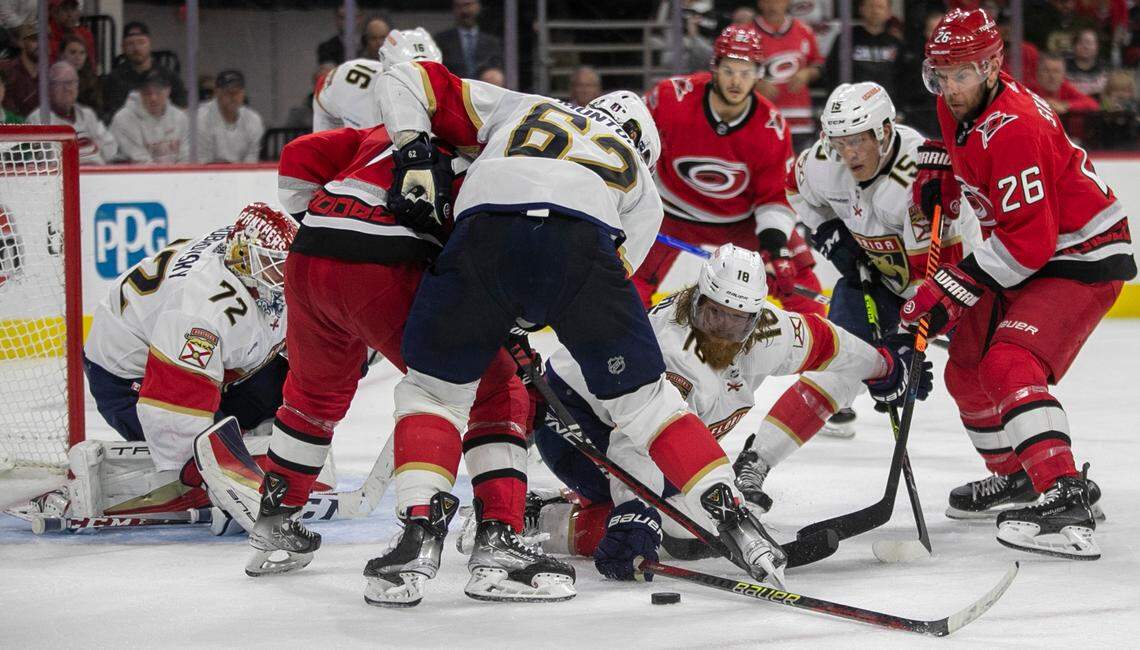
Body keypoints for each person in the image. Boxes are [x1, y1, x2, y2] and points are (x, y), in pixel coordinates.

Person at [374, 60, 787, 602]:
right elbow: (603, 278)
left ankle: (418, 529)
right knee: (648, 404)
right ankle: (731, 513)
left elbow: (403, 75)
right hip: (582, 245)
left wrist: (413, 150)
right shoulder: (643, 188)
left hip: (485, 230)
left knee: (433, 393)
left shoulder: (526, 105)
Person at [219, 123, 550, 605]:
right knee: (493, 390)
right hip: (387, 266)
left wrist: (325, 225)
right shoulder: (503, 152)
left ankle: (276, 520)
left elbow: (299, 154)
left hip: (310, 255)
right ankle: (489, 538)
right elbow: (480, 255)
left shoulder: (388, 128)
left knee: (313, 396)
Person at [480, 245, 931, 577]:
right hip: (578, 418)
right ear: (697, 300)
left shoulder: (769, 332)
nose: (726, 330)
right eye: (715, 314)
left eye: (739, 320)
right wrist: (635, 510)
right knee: (669, 527)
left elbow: (825, 342)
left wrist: (886, 366)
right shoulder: (671, 351)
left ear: (757, 318)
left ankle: (562, 509)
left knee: (688, 516)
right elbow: (636, 439)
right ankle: (539, 519)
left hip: (640, 432)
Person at [910, 7, 1134, 560]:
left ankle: (1064, 493)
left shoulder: (1017, 128)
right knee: (966, 365)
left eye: (962, 73)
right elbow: (953, 140)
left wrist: (951, 286)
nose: (949, 86)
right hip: (1030, 249)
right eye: (941, 73)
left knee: (1008, 363)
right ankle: (1020, 475)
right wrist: (939, 171)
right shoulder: (950, 98)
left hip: (1081, 253)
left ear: (992, 66)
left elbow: (1029, 244)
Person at [14, 204, 313, 534]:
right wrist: (209, 475)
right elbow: (174, 410)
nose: (283, 276)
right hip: (127, 380)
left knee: (301, 374)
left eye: (285, 265)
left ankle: (242, 438)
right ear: (244, 255)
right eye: (273, 267)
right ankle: (155, 490)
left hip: (182, 352)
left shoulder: (245, 262)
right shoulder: (201, 309)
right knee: (192, 462)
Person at [788, 82, 978, 435]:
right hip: (878, 279)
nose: (848, 153)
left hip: (955, 288)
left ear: (885, 131)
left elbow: (932, 281)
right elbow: (793, 185)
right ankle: (759, 458)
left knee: (983, 369)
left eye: (858, 140)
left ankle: (1018, 460)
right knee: (837, 356)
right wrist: (827, 231)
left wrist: (902, 345)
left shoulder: (918, 179)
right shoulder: (823, 161)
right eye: (840, 142)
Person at [635, 26, 825, 319]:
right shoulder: (672, 98)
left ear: (759, 74)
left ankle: (823, 347)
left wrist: (776, 249)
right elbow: (631, 141)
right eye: (729, 70)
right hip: (668, 213)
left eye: (746, 72)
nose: (737, 81)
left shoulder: (771, 127)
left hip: (740, 220)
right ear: (714, 68)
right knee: (626, 280)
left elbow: (774, 197)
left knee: (795, 276)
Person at [312, 27, 441, 132]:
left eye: (428, 73)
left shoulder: (450, 98)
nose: (419, 83)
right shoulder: (348, 82)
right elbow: (323, 93)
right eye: (410, 74)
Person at [748, 0, 822, 142]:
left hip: (799, 118)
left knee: (800, 163)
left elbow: (819, 65)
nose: (773, 5)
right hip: (760, 118)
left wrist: (807, 73)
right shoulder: (746, 33)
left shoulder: (804, 30)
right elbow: (730, 70)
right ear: (759, 3)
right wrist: (754, 83)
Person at [26, 61, 116, 165]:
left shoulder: (88, 114)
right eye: (60, 84)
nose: (67, 88)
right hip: (63, 177)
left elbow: (110, 148)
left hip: (96, 173)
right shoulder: (37, 119)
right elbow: (45, 161)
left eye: (71, 82)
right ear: (49, 88)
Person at [102, 21, 187, 121]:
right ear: (123, 48)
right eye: (130, 44)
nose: (136, 48)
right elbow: (110, 114)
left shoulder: (169, 76)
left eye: (141, 42)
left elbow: (182, 110)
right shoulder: (114, 79)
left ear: (150, 44)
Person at [822, 0, 903, 100]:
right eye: (871, 6)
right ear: (861, 9)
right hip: (852, 106)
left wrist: (899, 109)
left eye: (880, 7)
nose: (875, 11)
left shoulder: (895, 43)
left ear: (889, 12)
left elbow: (902, 79)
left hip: (887, 106)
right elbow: (832, 72)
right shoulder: (846, 39)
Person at [110, 70, 189, 164]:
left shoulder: (180, 118)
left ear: (168, 91)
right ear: (139, 92)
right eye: (147, 93)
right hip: (135, 176)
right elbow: (140, 161)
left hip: (176, 176)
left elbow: (186, 156)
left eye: (158, 92)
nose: (153, 98)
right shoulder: (123, 119)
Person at [196, 70, 265, 164]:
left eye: (237, 92)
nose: (233, 97)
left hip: (242, 176)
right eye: (228, 92)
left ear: (243, 93)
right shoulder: (201, 118)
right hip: (209, 175)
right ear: (217, 93)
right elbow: (203, 163)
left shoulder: (253, 120)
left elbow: (251, 163)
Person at [434, 0, 502, 79]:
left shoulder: (492, 42)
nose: (464, 11)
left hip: (483, 87)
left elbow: (497, 65)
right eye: (458, 6)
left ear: (478, 7)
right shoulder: (441, 40)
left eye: (468, 5)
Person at [1029, 51, 1099, 115]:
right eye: (1046, 70)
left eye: (1056, 71)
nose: (1052, 76)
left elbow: (1093, 104)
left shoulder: (1065, 87)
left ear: (1063, 75)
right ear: (1038, 73)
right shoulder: (1028, 89)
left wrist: (1065, 105)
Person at [0, 21, 39, 117]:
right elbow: (8, 112)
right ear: (21, 43)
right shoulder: (8, 70)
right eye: (34, 40)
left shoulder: (51, 71)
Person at [59, 34, 101, 115]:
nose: (78, 57)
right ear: (62, 55)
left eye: (82, 53)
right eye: (73, 52)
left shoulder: (92, 80)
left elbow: (98, 111)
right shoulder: (53, 80)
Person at [47, 0, 95, 71]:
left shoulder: (85, 35)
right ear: (53, 12)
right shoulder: (43, 36)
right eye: (64, 9)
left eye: (73, 8)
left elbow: (91, 68)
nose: (70, 14)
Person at [1066, 28, 1107, 99]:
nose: (1085, 47)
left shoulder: (1105, 70)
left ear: (1097, 47)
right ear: (1074, 45)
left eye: (1089, 43)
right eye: (1081, 42)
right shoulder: (1063, 67)